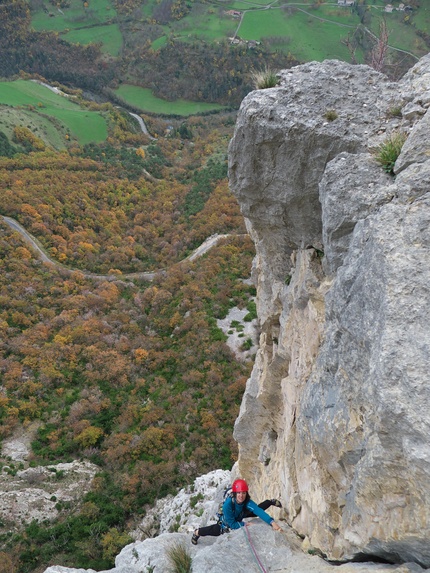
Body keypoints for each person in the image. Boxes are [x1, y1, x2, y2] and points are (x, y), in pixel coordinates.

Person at [191, 478, 282, 544]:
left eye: (243, 493)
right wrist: (245, 524)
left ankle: (271, 502)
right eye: (238, 493)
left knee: (255, 511)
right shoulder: (228, 505)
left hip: (240, 513)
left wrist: (272, 522)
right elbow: (232, 524)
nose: (241, 495)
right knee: (214, 530)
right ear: (235, 493)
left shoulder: (246, 501)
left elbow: (258, 511)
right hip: (228, 521)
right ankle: (196, 532)